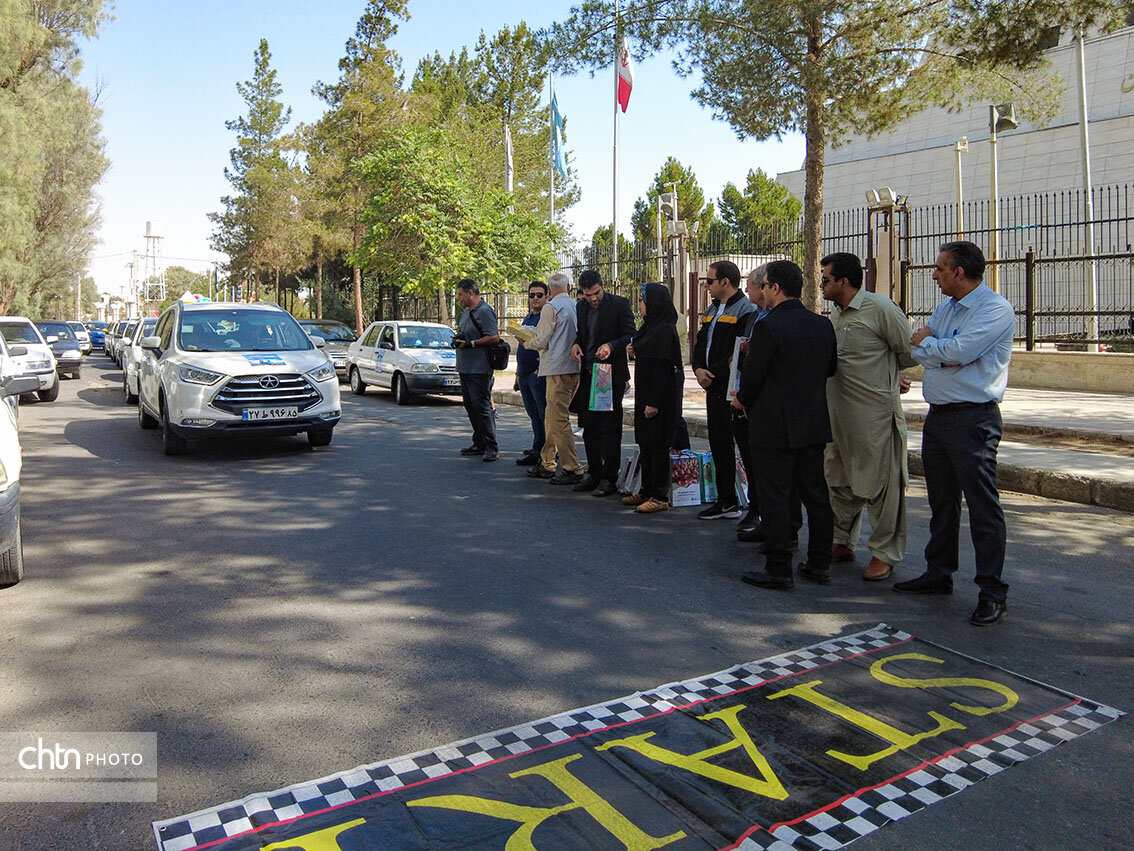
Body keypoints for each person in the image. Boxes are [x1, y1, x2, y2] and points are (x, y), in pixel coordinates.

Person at [900, 241, 1015, 626]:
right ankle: (939, 573)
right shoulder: (947, 306)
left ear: (959, 273)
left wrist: (934, 347)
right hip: (939, 419)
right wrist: (937, 349)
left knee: (982, 507)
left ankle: (992, 592)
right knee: (941, 502)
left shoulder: (994, 310)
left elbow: (957, 351)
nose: (934, 275)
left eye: (939, 269)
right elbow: (925, 348)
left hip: (973, 420)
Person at [733, 260, 837, 590]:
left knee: (775, 495)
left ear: (776, 288)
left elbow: (753, 376)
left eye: (764, 287)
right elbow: (831, 367)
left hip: (773, 424)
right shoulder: (822, 325)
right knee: (816, 495)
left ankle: (779, 567)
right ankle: (820, 562)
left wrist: (742, 398)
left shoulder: (769, 326)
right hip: (811, 421)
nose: (761, 292)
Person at [820, 252, 917, 582]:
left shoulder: (881, 309)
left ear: (844, 282)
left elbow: (908, 353)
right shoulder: (834, 316)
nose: (821, 285)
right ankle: (842, 540)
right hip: (838, 416)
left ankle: (884, 553)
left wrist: (889, 376)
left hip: (874, 417)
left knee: (882, 486)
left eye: (826, 280)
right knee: (838, 479)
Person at [692, 260, 757, 521]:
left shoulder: (746, 310)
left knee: (745, 448)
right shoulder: (712, 309)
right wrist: (698, 369)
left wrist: (713, 374)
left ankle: (755, 507)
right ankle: (726, 501)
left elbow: (737, 351)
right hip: (711, 387)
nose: (706, 286)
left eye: (709, 281)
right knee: (719, 445)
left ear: (725, 282)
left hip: (730, 389)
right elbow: (700, 342)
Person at [570, 270, 636, 497]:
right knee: (589, 426)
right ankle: (594, 473)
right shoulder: (580, 308)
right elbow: (582, 335)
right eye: (588, 295)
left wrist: (611, 346)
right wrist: (576, 345)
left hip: (610, 375)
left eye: (596, 293)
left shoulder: (619, 304)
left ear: (602, 286)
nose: (593, 299)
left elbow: (630, 334)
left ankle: (609, 476)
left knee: (610, 427)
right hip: (589, 373)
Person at [623, 283, 682, 514]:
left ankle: (659, 495)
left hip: (658, 398)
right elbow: (645, 351)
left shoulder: (665, 330)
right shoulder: (650, 327)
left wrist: (653, 403)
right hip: (646, 393)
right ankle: (646, 489)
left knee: (657, 444)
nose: (640, 304)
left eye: (643, 300)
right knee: (646, 442)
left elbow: (662, 368)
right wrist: (634, 350)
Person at [521, 272, 586, 484]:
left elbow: (540, 340)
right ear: (568, 286)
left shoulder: (552, 308)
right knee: (552, 416)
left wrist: (526, 342)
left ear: (549, 291)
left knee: (558, 420)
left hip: (556, 367)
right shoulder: (576, 306)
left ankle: (572, 467)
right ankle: (547, 461)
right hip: (573, 367)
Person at [453, 278, 501, 462]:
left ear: (470, 293)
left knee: (482, 407)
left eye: (460, 294)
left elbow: (494, 337)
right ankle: (479, 442)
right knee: (470, 406)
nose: (459, 298)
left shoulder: (485, 311)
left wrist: (471, 343)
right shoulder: (466, 312)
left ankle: (491, 446)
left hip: (479, 368)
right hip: (465, 366)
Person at [513, 281, 549, 466]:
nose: (535, 299)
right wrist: (517, 375)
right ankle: (537, 448)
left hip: (537, 373)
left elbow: (547, 345)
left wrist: (538, 369)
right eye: (531, 295)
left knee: (544, 415)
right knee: (533, 415)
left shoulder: (546, 317)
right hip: (525, 372)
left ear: (547, 296)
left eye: (539, 295)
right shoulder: (528, 317)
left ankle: (548, 453)